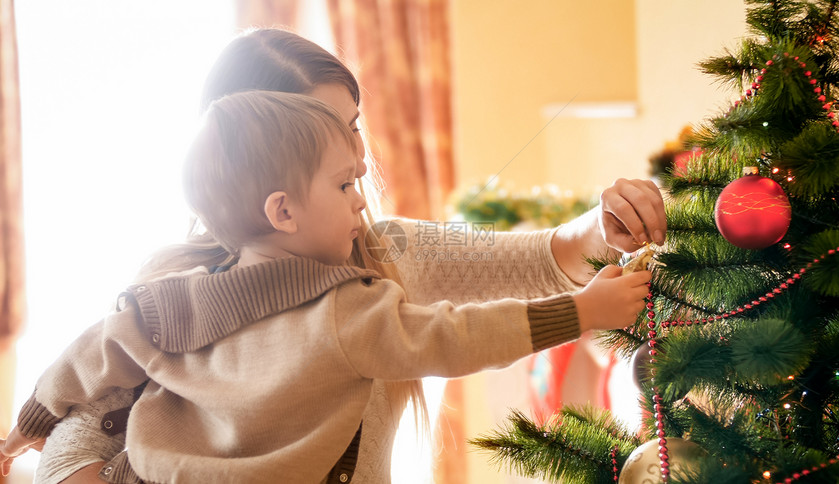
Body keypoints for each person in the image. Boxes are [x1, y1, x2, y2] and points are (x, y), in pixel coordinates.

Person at [5, 29, 666, 483]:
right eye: (329, 139)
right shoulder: (176, 286)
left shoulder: (386, 255)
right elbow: (86, 406)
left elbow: (535, 261)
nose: (358, 159)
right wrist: (40, 436)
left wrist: (605, 226)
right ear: (268, 188)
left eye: (353, 127)